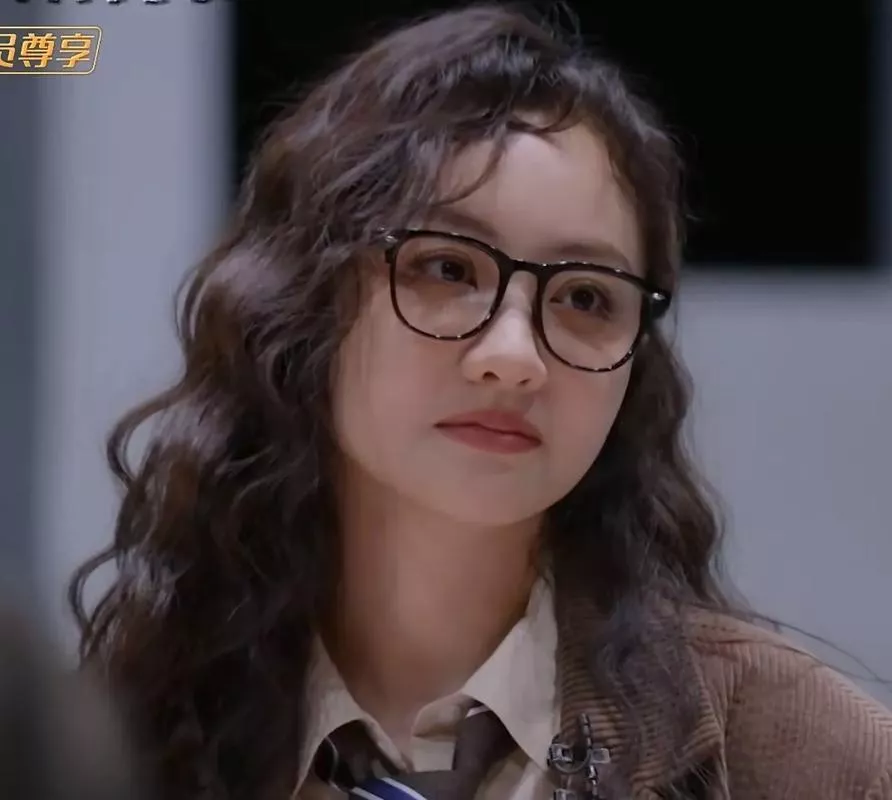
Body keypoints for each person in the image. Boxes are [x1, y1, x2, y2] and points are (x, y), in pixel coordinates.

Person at [68, 4, 892, 799]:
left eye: (586, 297)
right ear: (306, 302)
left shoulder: (808, 758)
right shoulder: (125, 740)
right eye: (447, 269)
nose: (514, 357)